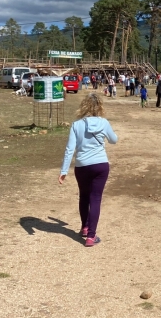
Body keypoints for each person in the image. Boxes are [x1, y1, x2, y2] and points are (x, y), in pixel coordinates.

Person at [58, 93, 118, 247]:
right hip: (100, 165)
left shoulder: (76, 125)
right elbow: (114, 140)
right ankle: (91, 236)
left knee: (84, 196)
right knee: (95, 198)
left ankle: (85, 227)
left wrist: (64, 171)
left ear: (83, 106)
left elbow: (69, 149)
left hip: (82, 166)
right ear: (100, 107)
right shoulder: (104, 123)